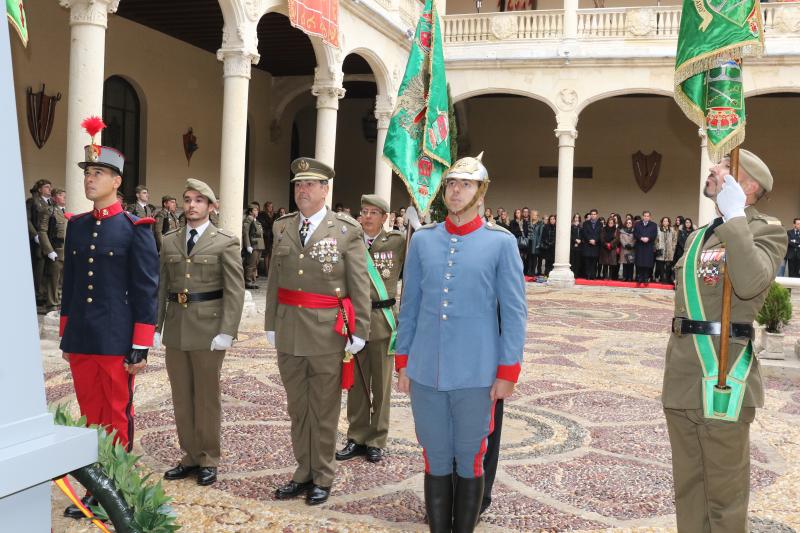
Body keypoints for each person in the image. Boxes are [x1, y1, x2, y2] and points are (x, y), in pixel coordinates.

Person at [395, 153, 527, 533]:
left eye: (465, 184)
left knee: (470, 458)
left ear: (481, 192)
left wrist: (508, 372)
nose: (455, 191)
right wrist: (403, 360)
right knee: (434, 456)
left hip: (477, 373)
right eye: (452, 183)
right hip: (425, 370)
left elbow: (514, 314)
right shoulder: (423, 241)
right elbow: (412, 304)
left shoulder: (500, 243)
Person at [664, 149, 786, 533]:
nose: (712, 170)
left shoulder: (765, 229)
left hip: (724, 373)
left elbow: (750, 283)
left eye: (723, 167)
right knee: (689, 490)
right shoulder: (699, 237)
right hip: (684, 375)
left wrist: (735, 218)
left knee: (725, 496)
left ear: (745, 185)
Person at [60, 121, 159, 518]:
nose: (89, 179)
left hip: (116, 338)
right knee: (90, 415)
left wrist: (140, 343)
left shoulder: (135, 229)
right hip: (83, 336)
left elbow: (145, 288)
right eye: (86, 173)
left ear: (116, 181)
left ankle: (117, 490)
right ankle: (96, 487)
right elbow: (70, 285)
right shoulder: (78, 226)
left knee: (117, 414)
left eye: (97, 173)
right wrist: (67, 335)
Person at [265, 158, 371, 505]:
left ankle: (323, 475)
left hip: (328, 332)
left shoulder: (345, 230)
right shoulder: (282, 227)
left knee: (324, 409)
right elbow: (276, 281)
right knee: (298, 408)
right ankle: (303, 471)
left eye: (311, 184)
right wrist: (270, 323)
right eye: (298, 184)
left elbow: (359, 283)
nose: (303, 190)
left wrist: (359, 331)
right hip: (289, 330)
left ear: (326, 190)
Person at [156, 179, 245, 487]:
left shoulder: (225, 241)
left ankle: (208, 457)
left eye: (198, 200)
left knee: (206, 397)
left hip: (209, 329)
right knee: (181, 396)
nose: (191, 205)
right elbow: (162, 286)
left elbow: (235, 289)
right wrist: (157, 326)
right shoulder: (169, 240)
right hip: (177, 328)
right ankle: (189, 456)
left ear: (211, 207)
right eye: (187, 199)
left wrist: (228, 330)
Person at [337, 195, 406, 464]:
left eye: (373, 213)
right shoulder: (350, 242)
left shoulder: (397, 242)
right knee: (356, 383)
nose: (366, 217)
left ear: (385, 217)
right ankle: (356, 437)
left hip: (383, 319)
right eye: (363, 211)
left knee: (381, 385)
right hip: (355, 321)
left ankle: (377, 439)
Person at [37, 188, 69, 313]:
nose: (64, 197)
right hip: (56, 248)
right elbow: (42, 231)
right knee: (53, 279)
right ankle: (51, 305)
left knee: (63, 279)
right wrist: (49, 250)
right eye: (61, 195)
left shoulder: (68, 211)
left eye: (65, 195)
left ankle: (60, 303)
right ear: (54, 198)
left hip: (67, 249)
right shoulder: (49, 211)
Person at [28, 179, 52, 305]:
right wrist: (35, 235)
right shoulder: (32, 201)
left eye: (50, 187)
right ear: (39, 189)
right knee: (39, 267)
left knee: (49, 268)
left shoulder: (52, 203)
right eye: (47, 187)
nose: (50, 189)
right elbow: (27, 220)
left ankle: (45, 295)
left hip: (49, 240)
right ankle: (37, 296)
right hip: (38, 240)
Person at [242, 202, 265, 289]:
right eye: (255, 210)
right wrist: (248, 245)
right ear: (250, 212)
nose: (257, 211)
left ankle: (252, 281)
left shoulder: (255, 220)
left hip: (259, 245)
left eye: (257, 210)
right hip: (253, 245)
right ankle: (248, 282)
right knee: (250, 264)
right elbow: (245, 232)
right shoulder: (249, 219)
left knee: (255, 264)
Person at [633, 211, 657, 283]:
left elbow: (654, 234)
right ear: (643, 216)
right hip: (640, 245)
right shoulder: (637, 224)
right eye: (645, 216)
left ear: (650, 217)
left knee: (647, 262)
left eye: (648, 216)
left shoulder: (653, 225)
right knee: (640, 262)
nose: (646, 217)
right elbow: (635, 233)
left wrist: (648, 238)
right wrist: (641, 238)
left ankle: (646, 277)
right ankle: (640, 277)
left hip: (648, 246)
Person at [655, 216, 677, 283]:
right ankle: (661, 278)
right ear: (662, 222)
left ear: (668, 222)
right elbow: (656, 240)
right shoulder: (658, 230)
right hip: (661, 250)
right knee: (660, 266)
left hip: (669, 251)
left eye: (666, 221)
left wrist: (673, 248)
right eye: (664, 221)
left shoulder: (672, 230)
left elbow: (674, 240)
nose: (665, 222)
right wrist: (658, 246)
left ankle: (667, 278)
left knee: (668, 266)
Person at [581, 209, 601, 280]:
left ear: (597, 215)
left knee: (594, 262)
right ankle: (588, 275)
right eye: (592, 214)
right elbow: (584, 233)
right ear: (590, 215)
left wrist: (595, 240)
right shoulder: (585, 223)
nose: (593, 215)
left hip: (596, 245)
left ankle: (593, 276)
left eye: (594, 214)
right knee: (587, 262)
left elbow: (600, 234)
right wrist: (590, 240)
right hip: (587, 245)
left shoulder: (600, 224)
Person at [258, 201, 276, 275]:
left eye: (271, 206)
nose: (270, 208)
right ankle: (266, 271)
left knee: (272, 253)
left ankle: (270, 271)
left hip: (273, 236)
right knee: (266, 254)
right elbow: (263, 224)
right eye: (269, 206)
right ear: (266, 207)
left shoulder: (274, 215)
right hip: (266, 236)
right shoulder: (262, 214)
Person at [528, 210, 544, 276]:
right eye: (532, 214)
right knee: (529, 257)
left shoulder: (540, 223)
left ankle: (533, 272)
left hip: (536, 242)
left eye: (534, 214)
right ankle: (529, 271)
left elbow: (540, 234)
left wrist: (538, 243)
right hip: (529, 242)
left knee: (534, 257)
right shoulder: (529, 223)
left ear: (537, 216)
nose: (533, 216)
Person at [570, 213, 583, 278]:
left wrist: (580, 241)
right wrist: (575, 241)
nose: (576, 219)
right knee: (572, 260)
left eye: (578, 217)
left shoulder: (581, 227)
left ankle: (576, 274)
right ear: (574, 218)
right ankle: (572, 273)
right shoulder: (571, 226)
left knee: (578, 261)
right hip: (573, 245)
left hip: (580, 246)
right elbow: (571, 235)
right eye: (575, 217)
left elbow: (583, 235)